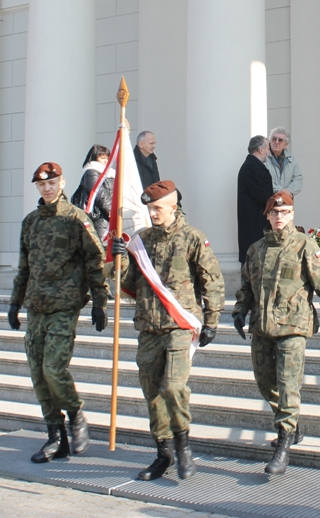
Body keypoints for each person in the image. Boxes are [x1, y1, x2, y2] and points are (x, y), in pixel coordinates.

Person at [111, 180, 224, 481]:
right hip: (149, 326)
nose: (153, 212)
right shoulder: (141, 239)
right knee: (152, 394)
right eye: (149, 208)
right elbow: (128, 283)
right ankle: (163, 454)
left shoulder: (192, 238)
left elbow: (212, 281)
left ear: (173, 207)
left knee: (173, 388)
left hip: (179, 325)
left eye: (158, 208)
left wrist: (212, 321)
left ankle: (183, 446)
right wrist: (119, 259)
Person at [232, 191, 320, 475]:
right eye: (274, 213)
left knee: (288, 382)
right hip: (262, 326)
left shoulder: (305, 246)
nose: (279, 217)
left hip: (293, 325)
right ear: (267, 216)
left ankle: (284, 443)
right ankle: (292, 423)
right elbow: (246, 286)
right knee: (264, 381)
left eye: (285, 212)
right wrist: (240, 310)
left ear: (292, 214)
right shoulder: (256, 249)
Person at [7, 162, 109, 463]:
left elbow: (94, 261)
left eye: (52, 183)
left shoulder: (77, 219)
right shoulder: (30, 222)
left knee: (54, 368)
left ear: (62, 183)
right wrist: (15, 302)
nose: (47, 188)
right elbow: (23, 267)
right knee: (38, 375)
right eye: (41, 185)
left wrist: (100, 302)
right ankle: (55, 436)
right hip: (36, 306)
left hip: (65, 305)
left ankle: (76, 414)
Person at [237, 136, 274, 264]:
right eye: (268, 148)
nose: (269, 152)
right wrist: (279, 200)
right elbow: (264, 196)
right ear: (260, 149)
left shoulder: (253, 166)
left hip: (255, 223)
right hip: (255, 224)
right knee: (254, 262)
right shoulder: (252, 167)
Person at [71, 144, 113, 241]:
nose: (106, 160)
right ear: (94, 158)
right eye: (102, 158)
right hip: (98, 215)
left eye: (107, 158)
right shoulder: (91, 171)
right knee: (102, 244)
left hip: (106, 215)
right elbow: (97, 190)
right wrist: (110, 209)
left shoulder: (110, 173)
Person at [265, 127, 303, 197]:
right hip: (267, 201)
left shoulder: (291, 159)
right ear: (270, 141)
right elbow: (263, 179)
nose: (276, 142)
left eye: (280, 140)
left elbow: (298, 179)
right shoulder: (264, 157)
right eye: (274, 139)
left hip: (285, 202)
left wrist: (289, 192)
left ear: (286, 145)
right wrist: (281, 190)